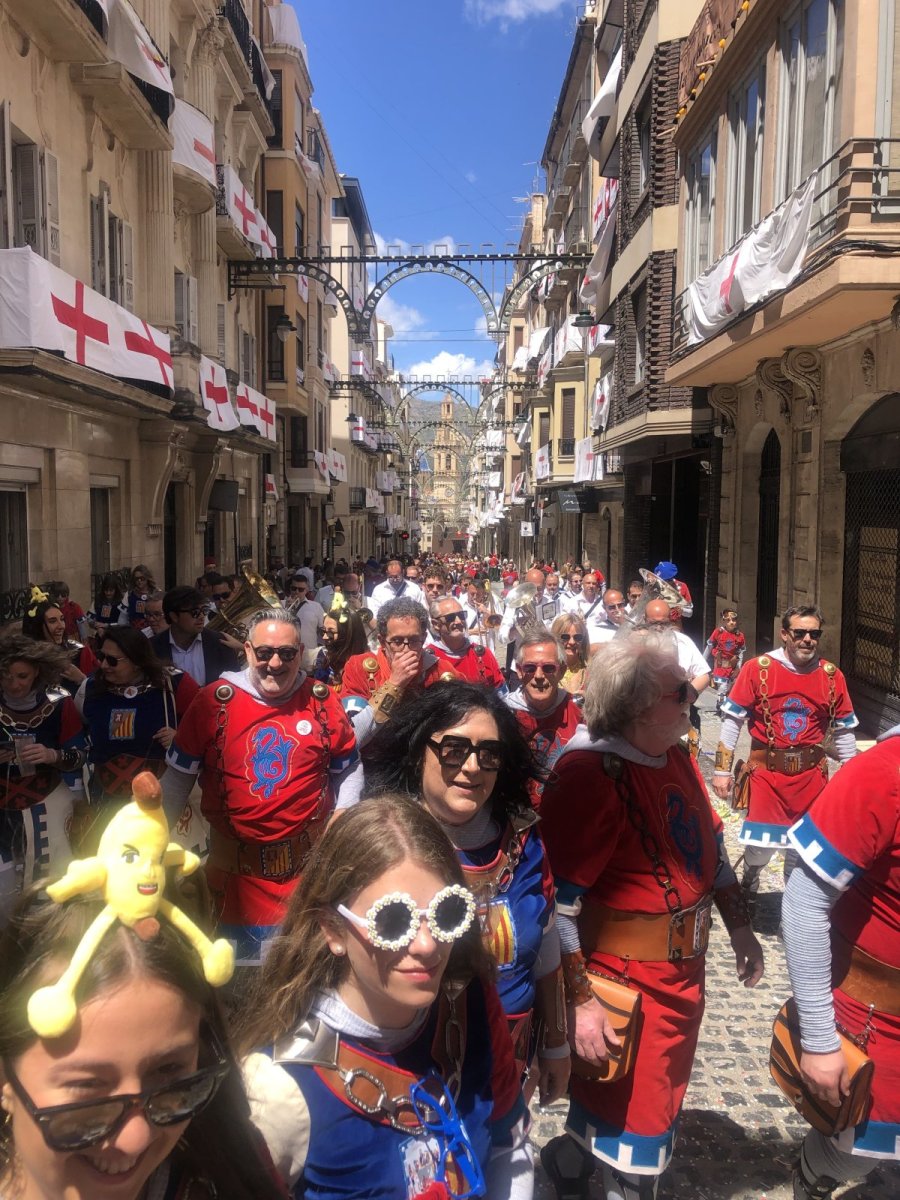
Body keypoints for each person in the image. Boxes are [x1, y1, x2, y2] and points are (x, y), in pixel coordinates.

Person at [539, 636, 764, 1200]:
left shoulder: (676, 755)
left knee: (649, 1105)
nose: (693, 697)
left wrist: (739, 927)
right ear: (638, 707)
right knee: (634, 1128)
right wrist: (580, 1002)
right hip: (623, 981)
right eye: (680, 692)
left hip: (683, 975)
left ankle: (569, 1161)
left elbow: (712, 846)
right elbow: (557, 905)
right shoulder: (591, 774)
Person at [236, 795, 534, 1199]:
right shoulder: (278, 1087)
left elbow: (508, 1147)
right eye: (393, 920)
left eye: (446, 912)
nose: (427, 945)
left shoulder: (471, 1007)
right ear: (333, 929)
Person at [0, 835, 285, 1200]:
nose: (136, 1138)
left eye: (170, 1073)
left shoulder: (234, 1174)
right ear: (5, 1078)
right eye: (87, 1088)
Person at [363, 684, 569, 1099]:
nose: (473, 767)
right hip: (406, 1072)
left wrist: (556, 1044)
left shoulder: (524, 841)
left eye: (489, 753)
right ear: (418, 752)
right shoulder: (377, 840)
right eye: (454, 749)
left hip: (506, 1068)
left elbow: (546, 946)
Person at [160, 608, 359, 966]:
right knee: (232, 984)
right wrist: (148, 842)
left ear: (301, 653)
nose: (275, 664)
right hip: (232, 887)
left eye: (287, 653)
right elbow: (176, 781)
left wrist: (344, 813)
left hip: (307, 883)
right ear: (248, 651)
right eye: (265, 652)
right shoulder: (212, 701)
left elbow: (348, 766)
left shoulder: (321, 700)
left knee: (300, 980)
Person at [782, 733, 900, 1198]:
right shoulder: (883, 773)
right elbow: (803, 902)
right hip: (880, 1019)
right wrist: (818, 1038)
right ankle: (812, 1175)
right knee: (858, 1149)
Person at [713, 605, 858, 908]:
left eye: (814, 634)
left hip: (811, 778)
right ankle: (751, 876)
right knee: (761, 846)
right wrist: (722, 771)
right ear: (784, 634)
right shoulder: (758, 668)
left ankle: (794, 904)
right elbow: (733, 721)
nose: (808, 639)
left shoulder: (832, 676)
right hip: (767, 774)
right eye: (800, 632)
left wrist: (851, 775)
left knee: (801, 847)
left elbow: (844, 731)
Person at [0, 635, 86, 918]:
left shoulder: (59, 702)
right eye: (5, 676)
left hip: (47, 806)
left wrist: (52, 755)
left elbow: (80, 755)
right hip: (3, 813)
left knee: (50, 887)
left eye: (22, 676)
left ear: (37, 671)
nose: (13, 684)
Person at [76, 626, 199, 818]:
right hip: (107, 801)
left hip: (161, 800)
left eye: (112, 660)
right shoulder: (89, 688)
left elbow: (205, 727)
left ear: (137, 661)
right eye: (101, 657)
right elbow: (78, 732)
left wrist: (181, 739)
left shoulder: (174, 683)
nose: (104, 665)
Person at [341, 598, 460, 744]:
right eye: (397, 641)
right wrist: (395, 684)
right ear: (382, 641)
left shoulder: (441, 670)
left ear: (423, 638)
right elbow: (351, 734)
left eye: (414, 640)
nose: (406, 649)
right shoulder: (359, 667)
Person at [504, 630, 584, 810]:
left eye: (548, 668)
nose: (539, 676)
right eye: (530, 668)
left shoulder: (580, 713)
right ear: (519, 671)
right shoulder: (502, 715)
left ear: (561, 671)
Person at [150, 586, 241, 686]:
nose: (202, 616)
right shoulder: (152, 647)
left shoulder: (220, 643)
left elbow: (235, 684)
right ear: (174, 616)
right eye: (195, 612)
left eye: (204, 610)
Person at [22, 591, 99, 696]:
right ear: (37, 626)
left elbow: (98, 691)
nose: (61, 626)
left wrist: (82, 679)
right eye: (52, 621)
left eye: (62, 619)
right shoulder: (24, 659)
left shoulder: (79, 652)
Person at [430, 596, 507, 694]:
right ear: (436, 624)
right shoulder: (429, 660)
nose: (458, 621)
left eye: (461, 615)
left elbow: (502, 694)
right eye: (450, 617)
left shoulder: (483, 654)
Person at [312, 606, 369, 693]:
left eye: (331, 632)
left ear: (348, 634)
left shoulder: (367, 664)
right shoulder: (324, 658)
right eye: (323, 631)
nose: (324, 637)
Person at [703, 608, 745, 710]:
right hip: (721, 666)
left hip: (732, 666)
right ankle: (722, 705)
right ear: (723, 621)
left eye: (733, 620)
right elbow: (709, 646)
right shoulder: (718, 632)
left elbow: (741, 652)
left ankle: (722, 703)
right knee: (722, 687)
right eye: (728, 620)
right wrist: (702, 661)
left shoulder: (740, 636)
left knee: (729, 688)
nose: (731, 622)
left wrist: (738, 667)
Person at [551, 613, 589, 705]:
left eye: (577, 637)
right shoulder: (546, 671)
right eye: (565, 637)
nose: (572, 642)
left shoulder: (592, 671)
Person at [286, 575, 326, 652]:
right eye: (294, 588)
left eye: (301, 589)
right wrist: (286, 608)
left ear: (306, 590)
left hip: (308, 652)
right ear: (290, 588)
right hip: (286, 650)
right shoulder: (281, 604)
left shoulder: (316, 606)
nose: (297, 592)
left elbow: (323, 629)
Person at [118, 565, 157, 630]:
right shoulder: (129, 594)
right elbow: (123, 618)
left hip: (152, 630)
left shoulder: (156, 593)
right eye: (136, 579)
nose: (139, 580)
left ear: (147, 578)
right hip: (134, 632)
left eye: (142, 578)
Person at [89, 573, 124, 638]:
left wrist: (107, 626)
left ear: (115, 590)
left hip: (117, 635)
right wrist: (97, 626)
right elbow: (90, 619)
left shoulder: (121, 602)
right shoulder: (98, 601)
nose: (108, 593)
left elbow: (123, 623)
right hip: (100, 635)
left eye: (111, 590)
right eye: (106, 590)